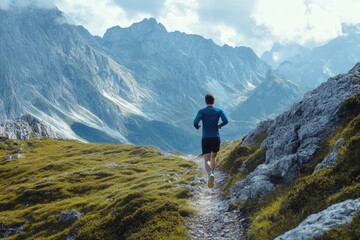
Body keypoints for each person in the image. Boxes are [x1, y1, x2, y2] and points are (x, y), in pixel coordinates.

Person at [193, 93, 229, 188]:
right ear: (214, 101)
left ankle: (210, 174)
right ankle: (213, 173)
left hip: (206, 138)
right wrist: (219, 125)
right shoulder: (219, 111)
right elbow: (226, 121)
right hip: (216, 137)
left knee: (206, 160)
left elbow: (195, 122)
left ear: (206, 101)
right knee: (213, 158)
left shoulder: (202, 111)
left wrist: (197, 126)